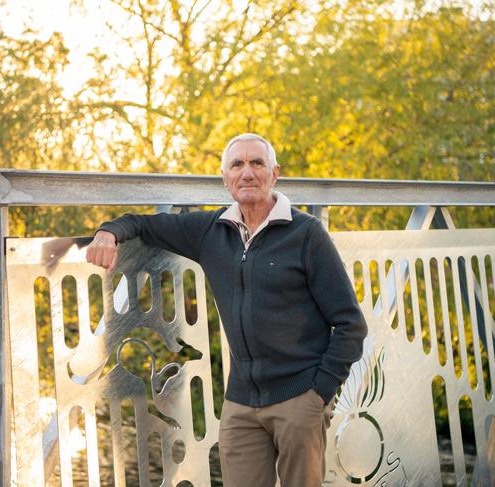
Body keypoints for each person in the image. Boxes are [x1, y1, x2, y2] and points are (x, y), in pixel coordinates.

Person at [86, 133, 368, 487]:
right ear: (225, 178)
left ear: (274, 174)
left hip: (300, 398)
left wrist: (318, 394)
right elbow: (143, 224)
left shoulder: (306, 234)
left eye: (257, 163)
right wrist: (107, 233)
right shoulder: (210, 230)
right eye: (237, 164)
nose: (246, 172)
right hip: (240, 403)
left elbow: (350, 325)